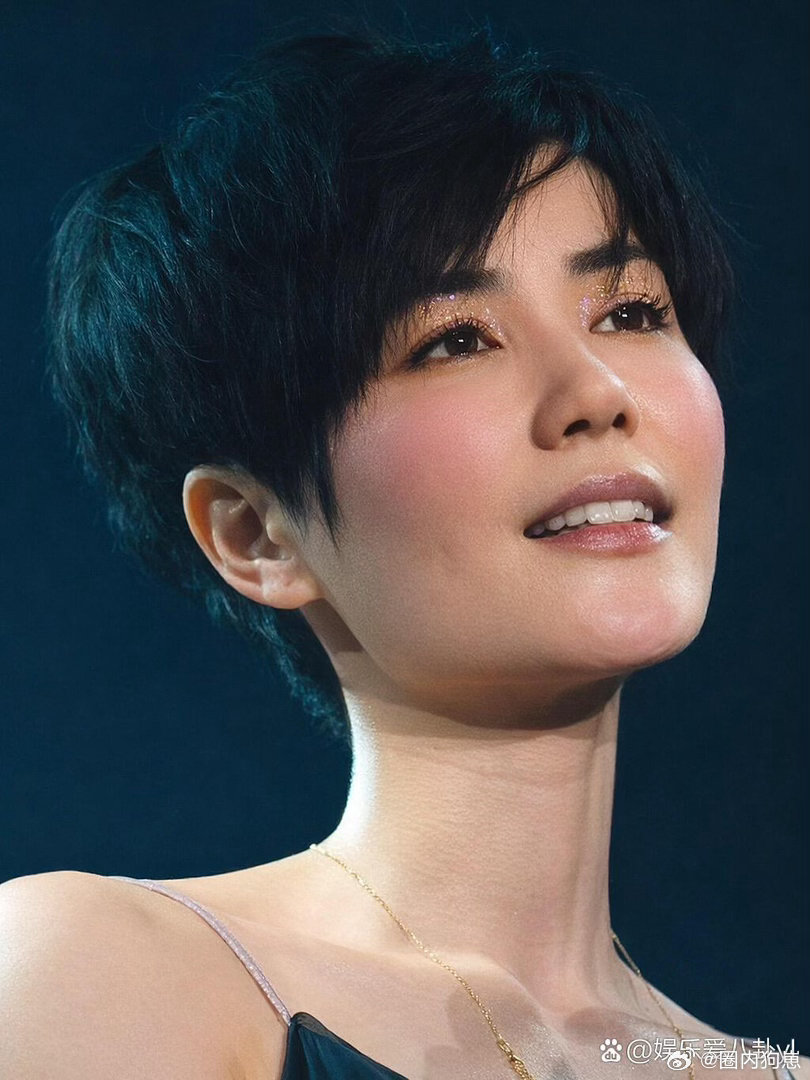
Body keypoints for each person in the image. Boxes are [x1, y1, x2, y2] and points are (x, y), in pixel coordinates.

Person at [0, 26, 804, 1080]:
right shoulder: (103, 973)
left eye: (631, 310)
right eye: (455, 339)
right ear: (256, 533)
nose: (599, 393)